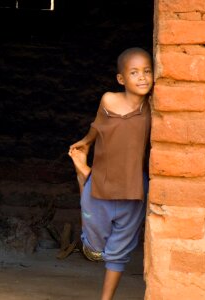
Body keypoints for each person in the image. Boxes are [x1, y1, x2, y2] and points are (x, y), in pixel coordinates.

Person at [69, 47, 153, 300]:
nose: (142, 77)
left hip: (133, 189)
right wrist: (85, 143)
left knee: (118, 253)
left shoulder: (152, 106)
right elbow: (97, 126)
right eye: (134, 72)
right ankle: (84, 176)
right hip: (101, 186)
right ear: (121, 79)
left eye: (147, 71)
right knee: (93, 249)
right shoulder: (108, 100)